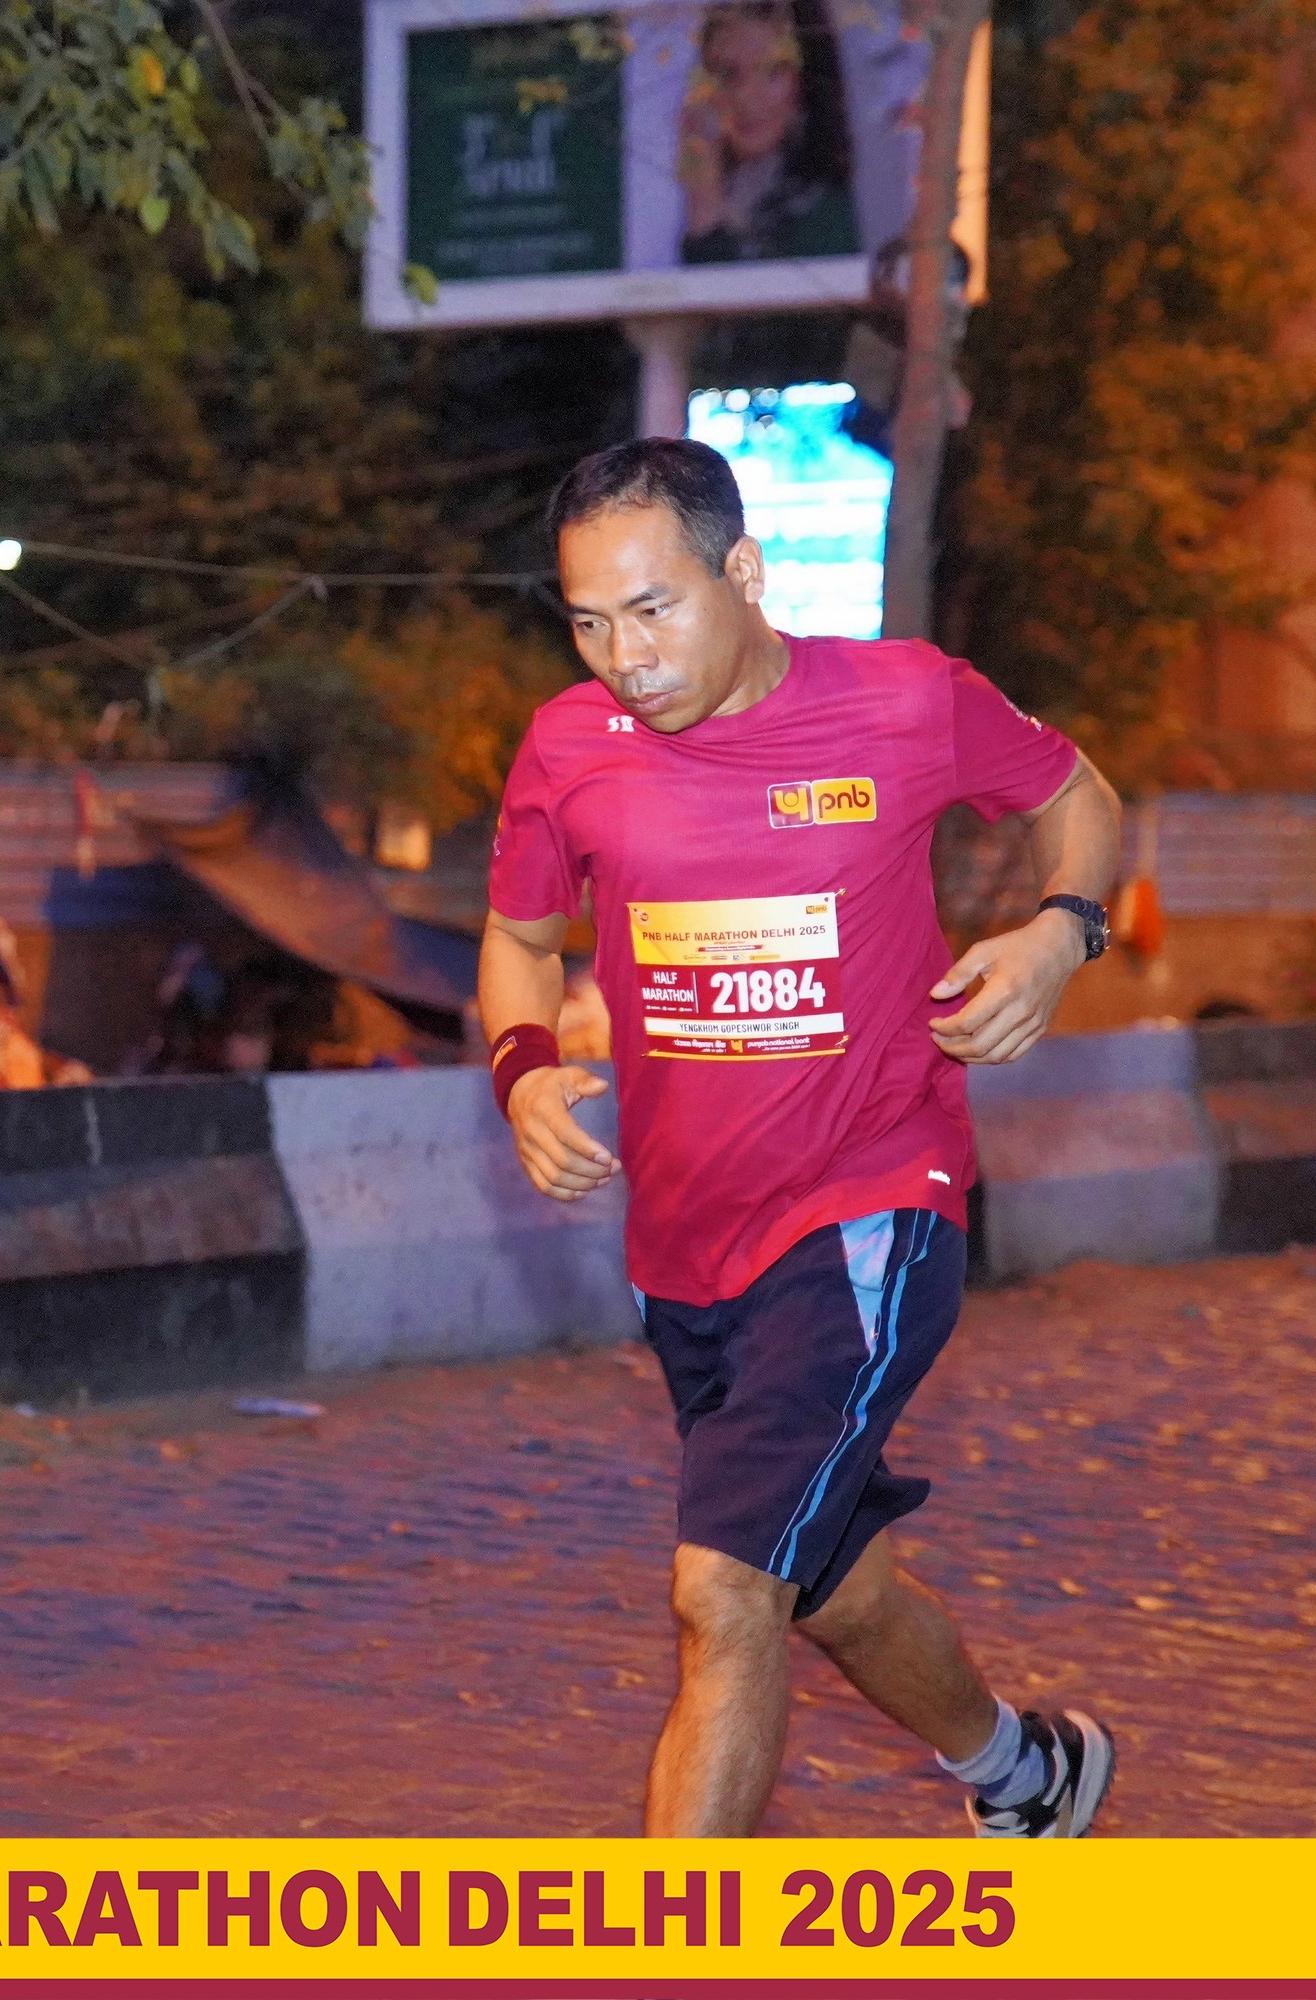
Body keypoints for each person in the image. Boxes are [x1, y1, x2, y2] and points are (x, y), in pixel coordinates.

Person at [481, 437, 1124, 1838]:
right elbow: (521, 937)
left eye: (653, 609)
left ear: (746, 571)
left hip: (869, 1204)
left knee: (723, 1593)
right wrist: (521, 1070)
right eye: (589, 623)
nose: (624, 657)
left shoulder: (903, 699)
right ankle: (1027, 1772)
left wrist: (1058, 933)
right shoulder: (568, 746)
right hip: (683, 1245)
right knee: (830, 1586)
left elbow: (1080, 800)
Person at [679, 0, 860, 265]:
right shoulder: (693, 193)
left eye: (773, 71)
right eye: (727, 74)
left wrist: (705, 207)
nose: (746, 97)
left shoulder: (825, 216)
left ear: (804, 80)